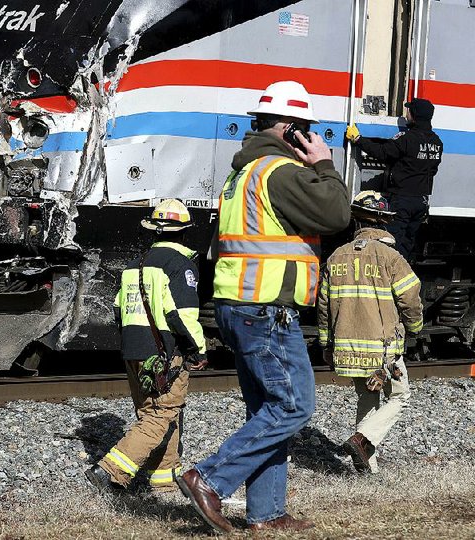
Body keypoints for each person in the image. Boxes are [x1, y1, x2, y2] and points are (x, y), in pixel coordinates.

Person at [176, 81, 350, 532]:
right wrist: (326, 166)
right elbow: (336, 215)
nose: (313, 138)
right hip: (266, 307)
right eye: (307, 129)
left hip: (239, 304)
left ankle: (266, 513)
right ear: (291, 128)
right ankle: (209, 477)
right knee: (294, 406)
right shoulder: (280, 171)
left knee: (267, 410)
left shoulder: (243, 174)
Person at [85, 199, 208, 494]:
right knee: (160, 415)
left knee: (157, 412)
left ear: (153, 231)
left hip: (135, 351)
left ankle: (164, 480)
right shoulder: (180, 266)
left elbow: (118, 309)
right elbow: (182, 315)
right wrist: (198, 350)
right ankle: (109, 471)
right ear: (184, 232)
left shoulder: (135, 264)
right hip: (164, 353)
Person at [317, 191, 423, 474]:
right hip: (383, 349)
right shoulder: (391, 257)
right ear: (384, 222)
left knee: (367, 398)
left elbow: (324, 306)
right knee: (399, 396)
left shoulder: (336, 257)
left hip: (349, 348)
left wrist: (327, 344)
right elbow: (410, 298)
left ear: (356, 221)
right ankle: (362, 440)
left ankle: (368, 466)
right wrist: (415, 328)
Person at [345, 98, 443, 259]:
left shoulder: (407, 138)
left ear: (414, 115)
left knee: (392, 242)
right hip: (422, 201)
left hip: (402, 199)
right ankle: (402, 275)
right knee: (407, 243)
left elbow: (382, 152)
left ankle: (389, 278)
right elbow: (433, 169)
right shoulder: (437, 142)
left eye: (409, 111)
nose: (407, 114)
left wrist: (358, 140)